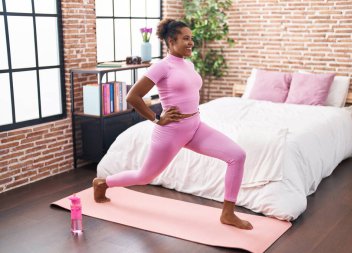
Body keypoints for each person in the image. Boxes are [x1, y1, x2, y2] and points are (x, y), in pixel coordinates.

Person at [93, 18, 253, 230]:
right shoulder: (161, 66)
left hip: (195, 126)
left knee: (237, 155)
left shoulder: (189, 64)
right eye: (186, 38)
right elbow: (133, 96)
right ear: (171, 40)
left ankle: (228, 214)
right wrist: (156, 118)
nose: (191, 43)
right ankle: (103, 183)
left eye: (191, 39)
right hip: (171, 131)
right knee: (145, 176)